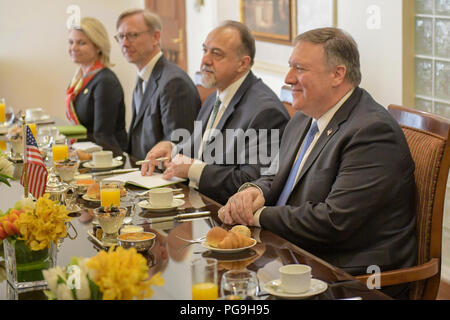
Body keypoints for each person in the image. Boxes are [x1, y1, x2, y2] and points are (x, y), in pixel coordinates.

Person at [218, 27, 417, 299]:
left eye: (299, 68)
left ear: (337, 74)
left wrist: (256, 215)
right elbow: (275, 174)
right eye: (290, 67)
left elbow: (334, 221)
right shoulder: (304, 116)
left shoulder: (371, 132)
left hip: (349, 276)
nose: (288, 79)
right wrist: (255, 191)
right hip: (296, 256)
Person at [141, 21, 290, 205]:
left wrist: (193, 170)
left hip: (227, 217)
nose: (205, 60)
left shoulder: (266, 112)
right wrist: (171, 148)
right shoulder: (216, 95)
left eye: (216, 54)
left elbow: (250, 184)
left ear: (243, 64)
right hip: (198, 203)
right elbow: (200, 150)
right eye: (205, 50)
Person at [115, 9, 201, 164]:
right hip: (139, 171)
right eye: (121, 36)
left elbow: (180, 145)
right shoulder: (143, 76)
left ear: (155, 37)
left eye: (132, 35)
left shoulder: (173, 83)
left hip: (164, 180)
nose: (125, 43)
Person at [66, 17, 128, 156]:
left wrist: (81, 155)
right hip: (86, 153)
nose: (73, 48)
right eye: (71, 42)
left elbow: (103, 136)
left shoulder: (105, 81)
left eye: (81, 43)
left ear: (98, 46)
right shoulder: (79, 79)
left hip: (105, 159)